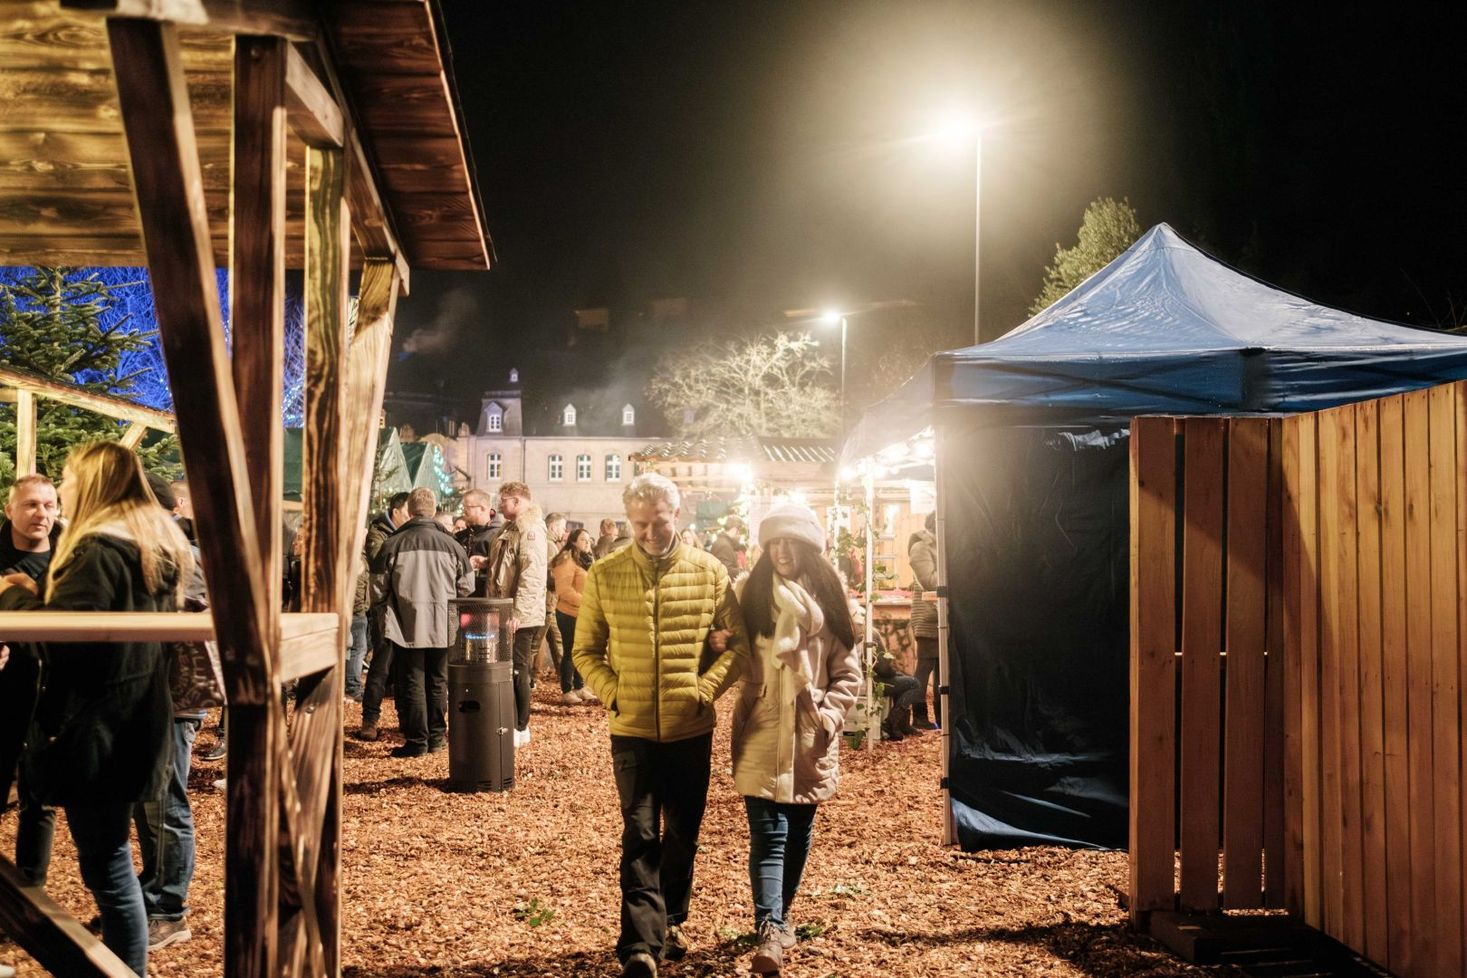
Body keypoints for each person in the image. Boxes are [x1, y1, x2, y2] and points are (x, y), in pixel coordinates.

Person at [0, 440, 192, 977]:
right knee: (111, 862)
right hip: (134, 721)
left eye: (67, 478)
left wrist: (15, 595)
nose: (61, 490)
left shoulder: (99, 550)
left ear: (92, 484)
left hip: (98, 728)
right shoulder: (154, 545)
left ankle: (124, 971)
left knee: (108, 867)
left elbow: (66, 641)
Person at [573, 474, 750, 977]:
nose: (649, 532)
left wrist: (703, 691)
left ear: (678, 515)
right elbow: (585, 650)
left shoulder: (709, 571)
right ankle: (641, 945)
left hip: (689, 728)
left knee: (683, 833)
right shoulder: (606, 574)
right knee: (640, 831)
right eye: (639, 524)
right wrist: (613, 692)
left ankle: (671, 918)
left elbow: (736, 645)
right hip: (630, 729)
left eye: (658, 522)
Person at [731, 503, 862, 975]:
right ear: (765, 548)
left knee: (800, 832)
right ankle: (769, 927)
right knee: (770, 833)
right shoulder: (749, 594)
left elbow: (849, 670)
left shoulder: (829, 596)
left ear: (809, 547)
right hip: (763, 726)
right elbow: (729, 648)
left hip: (811, 732)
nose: (783, 551)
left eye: (792, 542)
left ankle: (779, 920)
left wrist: (827, 715)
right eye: (774, 542)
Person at [132, 474, 208, 951]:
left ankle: (169, 909)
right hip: (153, 691)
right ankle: (152, 893)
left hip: (175, 696)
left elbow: (196, 616)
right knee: (150, 798)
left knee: (165, 801)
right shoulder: (160, 550)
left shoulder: (180, 555)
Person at [371, 488, 474, 757]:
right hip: (443, 625)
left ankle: (417, 741)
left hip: (406, 624)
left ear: (411, 509)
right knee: (439, 682)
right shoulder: (452, 544)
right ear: (433, 508)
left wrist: (388, 610)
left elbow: (377, 587)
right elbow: (467, 586)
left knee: (412, 682)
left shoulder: (394, 543)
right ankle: (437, 738)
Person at [0, 475, 61, 890]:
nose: (41, 514)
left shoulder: (70, 559)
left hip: (49, 692)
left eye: (49, 505)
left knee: (39, 799)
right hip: (3, 691)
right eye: (31, 505)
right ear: (9, 510)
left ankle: (29, 896)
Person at [484, 481, 547, 747]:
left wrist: (518, 612)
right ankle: (511, 722)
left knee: (518, 670)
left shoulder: (529, 530)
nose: (500, 505)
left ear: (518, 501)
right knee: (509, 668)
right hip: (506, 610)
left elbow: (531, 575)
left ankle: (520, 726)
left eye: (504, 500)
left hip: (519, 614)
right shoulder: (511, 528)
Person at [356, 491, 412, 741]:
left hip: (406, 608)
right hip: (386, 610)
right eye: (408, 512)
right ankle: (370, 719)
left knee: (404, 666)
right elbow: (379, 563)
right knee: (381, 664)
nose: (411, 517)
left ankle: (404, 718)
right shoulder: (379, 532)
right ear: (396, 511)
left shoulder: (405, 533)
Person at [550, 527, 594, 704]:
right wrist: (587, 602)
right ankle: (567, 690)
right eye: (583, 539)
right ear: (573, 541)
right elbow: (564, 590)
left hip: (583, 614)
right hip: (569, 613)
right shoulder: (567, 560)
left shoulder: (585, 560)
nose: (587, 543)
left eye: (589, 540)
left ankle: (579, 686)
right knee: (570, 651)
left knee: (581, 651)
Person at [908, 512, 940, 729]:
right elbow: (930, 581)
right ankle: (918, 716)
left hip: (940, 616)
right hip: (928, 618)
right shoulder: (921, 547)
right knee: (925, 667)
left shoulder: (938, 546)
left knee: (941, 670)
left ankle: (941, 715)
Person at [537, 512, 568, 683]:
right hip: (548, 601)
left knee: (553, 641)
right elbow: (551, 574)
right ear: (553, 526)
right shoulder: (550, 546)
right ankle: (566, 681)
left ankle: (566, 680)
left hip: (547, 602)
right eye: (562, 527)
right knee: (553, 641)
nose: (564, 531)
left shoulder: (547, 543)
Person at [456, 488, 503, 596]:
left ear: (482, 509)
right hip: (461, 598)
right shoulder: (461, 536)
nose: (463, 511)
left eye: (467, 507)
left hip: (485, 601)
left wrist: (487, 562)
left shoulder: (499, 536)